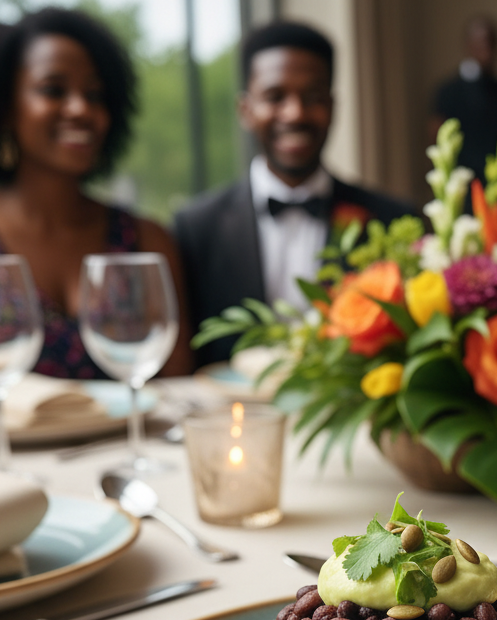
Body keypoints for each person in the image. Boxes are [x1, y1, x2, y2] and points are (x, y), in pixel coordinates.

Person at [0, 7, 193, 387]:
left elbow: (178, 395)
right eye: (53, 90)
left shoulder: (146, 241)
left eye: (95, 94)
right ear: (4, 107)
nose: (81, 109)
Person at [175, 21, 416, 366]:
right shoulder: (194, 228)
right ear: (245, 110)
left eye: (313, 97)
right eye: (275, 97)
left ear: (332, 107)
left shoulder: (393, 221)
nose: (295, 113)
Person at [430, 15, 497, 183]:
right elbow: (436, 141)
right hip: (458, 184)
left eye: (491, 44)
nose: (486, 51)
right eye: (480, 43)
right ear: (468, 45)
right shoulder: (447, 94)